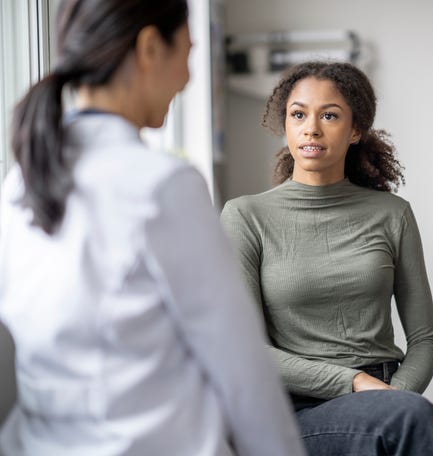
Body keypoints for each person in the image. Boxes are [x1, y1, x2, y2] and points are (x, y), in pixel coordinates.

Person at [0, 1, 306, 455]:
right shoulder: (162, 185)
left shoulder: (19, 183)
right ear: (148, 48)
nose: (187, 77)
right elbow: (243, 374)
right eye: (186, 51)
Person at [221, 61, 433, 455]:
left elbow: (423, 341)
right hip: (297, 408)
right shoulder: (245, 217)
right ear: (286, 124)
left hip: (387, 396)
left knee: (412, 421)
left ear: (356, 129)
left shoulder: (392, 213)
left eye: (329, 115)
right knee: (415, 422)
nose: (311, 128)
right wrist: (356, 385)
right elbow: (244, 349)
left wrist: (391, 397)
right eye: (298, 114)